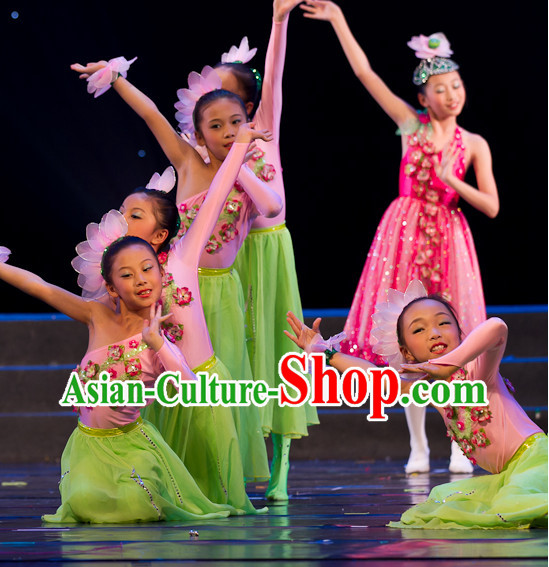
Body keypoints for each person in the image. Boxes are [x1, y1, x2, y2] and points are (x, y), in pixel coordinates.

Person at [301, 0, 499, 474]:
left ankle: (459, 441)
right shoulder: (411, 127)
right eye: (440, 89)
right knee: (407, 338)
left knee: (451, 338)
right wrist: (338, 20)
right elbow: (365, 74)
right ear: (424, 98)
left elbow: (492, 205)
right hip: (405, 236)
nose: (451, 95)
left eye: (456, 85)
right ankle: (418, 443)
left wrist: (453, 183)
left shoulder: (474, 144)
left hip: (449, 238)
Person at [70, 57, 283, 483]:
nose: (227, 132)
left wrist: (239, 161)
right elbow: (151, 114)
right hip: (173, 285)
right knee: (166, 375)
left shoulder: (250, 172)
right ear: (199, 134)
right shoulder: (187, 161)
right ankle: (165, 473)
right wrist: (117, 79)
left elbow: (272, 207)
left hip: (221, 291)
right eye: (216, 126)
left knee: (216, 378)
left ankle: (218, 475)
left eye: (235, 123)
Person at [0, 236, 261, 523]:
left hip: (132, 447)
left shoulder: (161, 342)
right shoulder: (96, 316)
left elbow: (191, 388)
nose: (140, 280)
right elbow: (40, 286)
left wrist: (158, 344)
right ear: (112, 287)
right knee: (82, 501)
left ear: (161, 274)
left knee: (135, 501)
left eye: (147, 269)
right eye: (127, 275)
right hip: (89, 446)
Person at [284, 280, 547, 529]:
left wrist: (449, 364)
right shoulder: (428, 389)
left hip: (536, 461)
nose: (434, 333)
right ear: (407, 352)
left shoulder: (477, 370)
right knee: (448, 508)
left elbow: (497, 327)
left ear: (459, 333)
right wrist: (326, 352)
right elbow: (376, 376)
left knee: (512, 506)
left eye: (444, 323)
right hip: (510, 475)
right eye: (419, 330)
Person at [195, 0, 318, 501]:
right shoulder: (211, 148)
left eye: (225, 91)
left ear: (247, 103)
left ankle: (283, 462)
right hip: (234, 259)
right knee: (241, 355)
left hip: (272, 253)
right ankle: (240, 458)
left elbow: (275, 73)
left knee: (280, 350)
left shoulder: (264, 130)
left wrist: (279, 19)